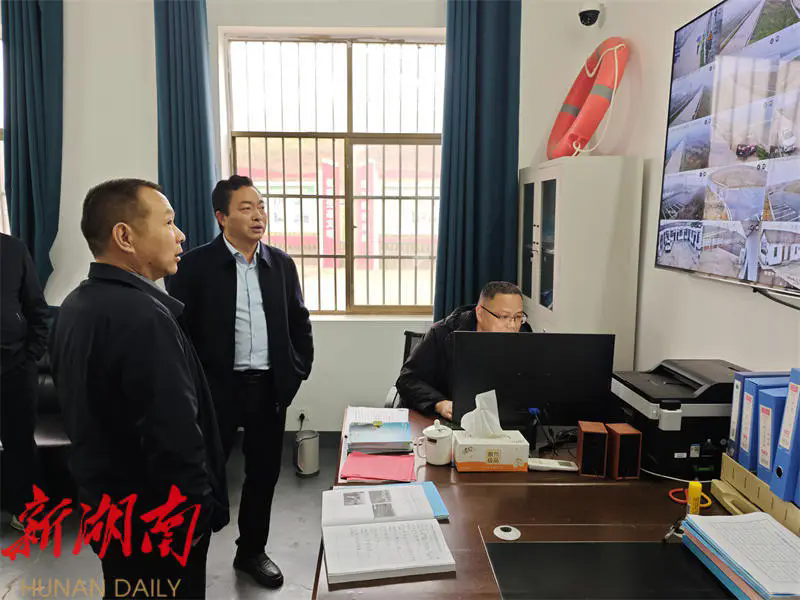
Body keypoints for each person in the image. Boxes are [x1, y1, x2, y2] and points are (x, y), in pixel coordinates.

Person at [50, 179, 229, 599]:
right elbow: (173, 436)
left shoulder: (76, 305)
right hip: (159, 526)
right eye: (168, 222)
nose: (180, 234)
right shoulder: (141, 317)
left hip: (111, 512)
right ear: (124, 236)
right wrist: (193, 520)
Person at [166, 175, 313, 589]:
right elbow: (180, 332)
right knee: (204, 476)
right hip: (216, 391)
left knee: (263, 474)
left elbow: (299, 322)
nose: (257, 215)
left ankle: (251, 550)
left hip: (268, 388)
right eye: (246, 208)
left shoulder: (280, 264)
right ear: (221, 216)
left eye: (261, 206)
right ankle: (191, 558)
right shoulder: (193, 266)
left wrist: (295, 372)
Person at [396, 281, 531, 419]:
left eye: (518, 317)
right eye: (503, 316)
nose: (512, 325)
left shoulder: (525, 337)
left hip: (500, 419)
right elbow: (407, 380)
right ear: (480, 313)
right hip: (446, 420)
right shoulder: (443, 333)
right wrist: (439, 403)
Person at [0, 233, 50, 530]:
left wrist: (30, 355)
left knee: (20, 442)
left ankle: (27, 511)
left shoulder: (12, 250)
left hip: (15, 366)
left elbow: (36, 308)